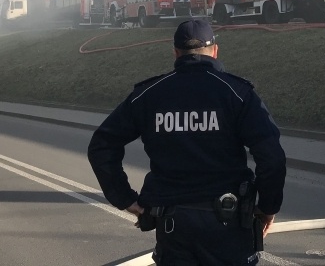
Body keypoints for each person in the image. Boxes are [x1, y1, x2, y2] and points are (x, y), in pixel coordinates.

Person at [88, 19, 286, 266]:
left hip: (173, 228)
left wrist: (126, 199)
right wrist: (267, 207)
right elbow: (272, 157)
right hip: (229, 227)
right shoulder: (237, 93)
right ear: (215, 51)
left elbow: (101, 146)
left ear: (175, 53)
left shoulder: (149, 95)